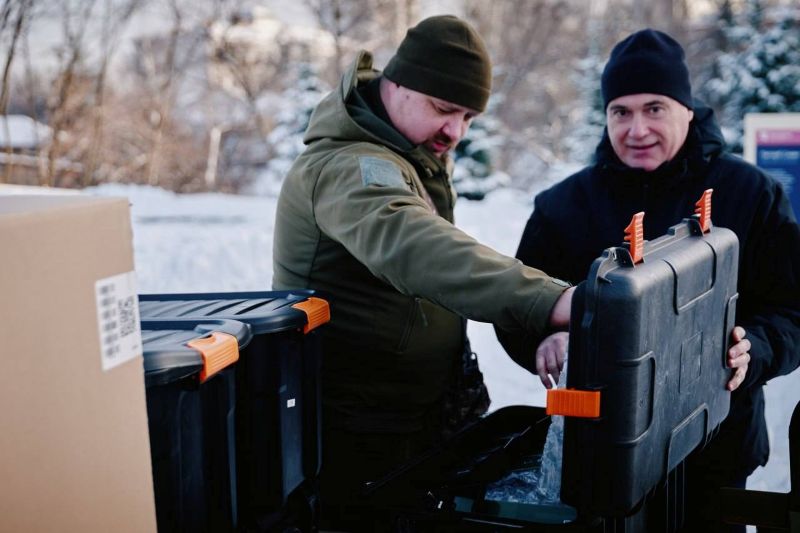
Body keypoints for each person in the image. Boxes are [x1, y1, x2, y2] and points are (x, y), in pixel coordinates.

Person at [272, 15, 573, 529]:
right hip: (357, 436)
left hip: (413, 423)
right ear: (397, 85)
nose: (456, 132)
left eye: (469, 117)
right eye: (443, 109)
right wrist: (551, 300)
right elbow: (415, 246)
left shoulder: (405, 156)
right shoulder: (350, 166)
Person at [499, 29, 800, 532]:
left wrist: (758, 348)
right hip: (601, 460)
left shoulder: (750, 193)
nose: (636, 129)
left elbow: (791, 310)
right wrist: (544, 338)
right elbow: (516, 306)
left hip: (716, 457)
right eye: (621, 112)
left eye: (654, 108)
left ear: (687, 109)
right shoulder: (562, 206)